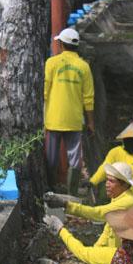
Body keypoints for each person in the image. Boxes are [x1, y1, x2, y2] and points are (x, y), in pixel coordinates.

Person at [44, 27, 95, 196]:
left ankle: (50, 189)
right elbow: (88, 98)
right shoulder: (84, 67)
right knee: (75, 159)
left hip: (54, 119)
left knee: (51, 158)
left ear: (61, 44)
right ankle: (72, 194)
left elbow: (45, 90)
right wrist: (91, 122)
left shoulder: (51, 63)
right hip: (74, 120)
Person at [44, 162, 133, 249]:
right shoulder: (118, 197)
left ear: (124, 185)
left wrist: (66, 204)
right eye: (107, 180)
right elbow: (108, 230)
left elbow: (97, 213)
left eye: (111, 181)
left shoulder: (127, 202)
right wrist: (96, 249)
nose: (106, 184)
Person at [89, 121, 133, 200]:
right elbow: (105, 168)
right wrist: (92, 182)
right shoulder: (116, 152)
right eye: (127, 140)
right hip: (119, 197)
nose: (130, 143)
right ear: (123, 140)